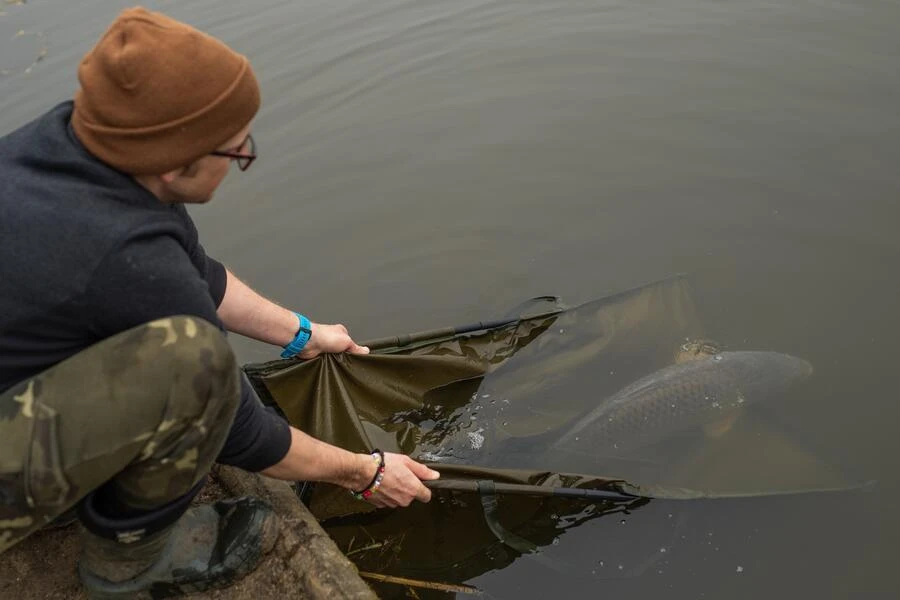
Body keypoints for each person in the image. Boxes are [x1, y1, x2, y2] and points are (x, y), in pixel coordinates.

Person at [0, 6, 439, 598]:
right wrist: (366, 471)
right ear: (176, 164)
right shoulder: (126, 257)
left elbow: (196, 270)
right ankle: (128, 559)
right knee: (195, 367)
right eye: (236, 153)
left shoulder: (75, 145)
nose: (241, 160)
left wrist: (305, 334)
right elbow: (242, 434)